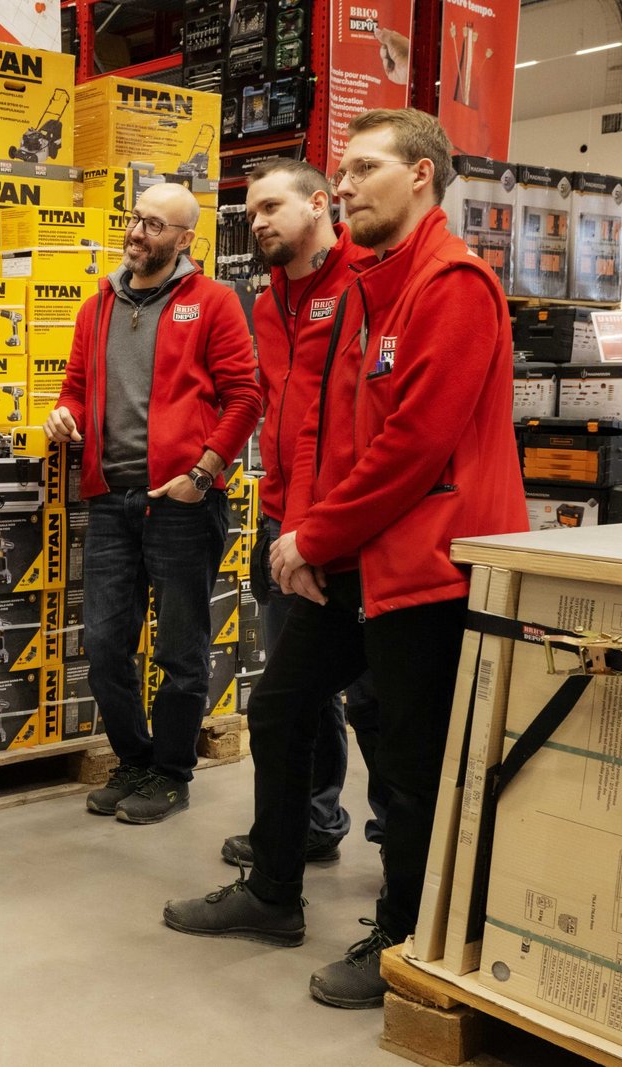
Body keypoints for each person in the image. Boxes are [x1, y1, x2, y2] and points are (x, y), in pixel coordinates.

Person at [162, 108, 526, 1010]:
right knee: (281, 708)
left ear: (421, 175)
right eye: (343, 169)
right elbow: (330, 431)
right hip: (361, 551)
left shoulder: (453, 285)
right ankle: (272, 891)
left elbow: (415, 446)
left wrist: (315, 536)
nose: (346, 184)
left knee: (408, 760)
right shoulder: (374, 286)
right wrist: (304, 532)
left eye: (364, 168)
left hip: (431, 565)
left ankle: (408, 940)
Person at [45, 183, 261, 825]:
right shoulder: (98, 307)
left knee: (180, 650)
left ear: (186, 238)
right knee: (104, 644)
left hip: (181, 502)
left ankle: (170, 773)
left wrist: (204, 472)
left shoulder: (213, 302)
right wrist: (63, 413)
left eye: (156, 225)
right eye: (136, 218)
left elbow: (245, 397)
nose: (138, 232)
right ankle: (135, 761)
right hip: (111, 500)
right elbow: (75, 387)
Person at [216, 158, 387, 870]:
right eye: (251, 212)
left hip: (349, 523)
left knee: (373, 695)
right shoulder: (267, 304)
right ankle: (315, 820)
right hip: (282, 515)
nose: (256, 222)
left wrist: (320, 524)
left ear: (320, 203)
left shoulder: (363, 284)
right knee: (300, 690)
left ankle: (402, 842)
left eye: (270, 207)